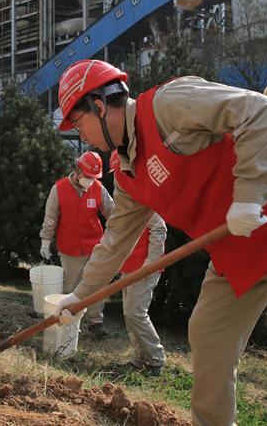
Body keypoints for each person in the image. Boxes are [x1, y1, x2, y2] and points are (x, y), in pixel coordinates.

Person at [53, 60, 267, 425]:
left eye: (78, 122)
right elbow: (115, 241)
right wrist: (80, 296)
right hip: (235, 250)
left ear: (99, 107)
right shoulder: (127, 171)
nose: (82, 136)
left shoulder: (168, 105)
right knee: (209, 337)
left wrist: (250, 194)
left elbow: (256, 109)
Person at [39, 151, 114, 337]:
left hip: (95, 245)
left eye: (94, 177)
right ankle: (70, 324)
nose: (91, 180)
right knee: (72, 288)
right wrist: (45, 241)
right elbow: (50, 218)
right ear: (78, 171)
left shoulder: (98, 188)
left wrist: (114, 237)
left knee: (97, 285)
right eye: (88, 176)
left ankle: (96, 321)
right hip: (70, 248)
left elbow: (112, 213)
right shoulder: (59, 189)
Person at [108, 150, 167, 376]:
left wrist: (150, 264)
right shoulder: (129, 195)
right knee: (128, 313)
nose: (117, 177)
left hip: (145, 267)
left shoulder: (144, 197)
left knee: (136, 313)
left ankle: (155, 358)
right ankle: (139, 357)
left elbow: (159, 228)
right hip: (131, 265)